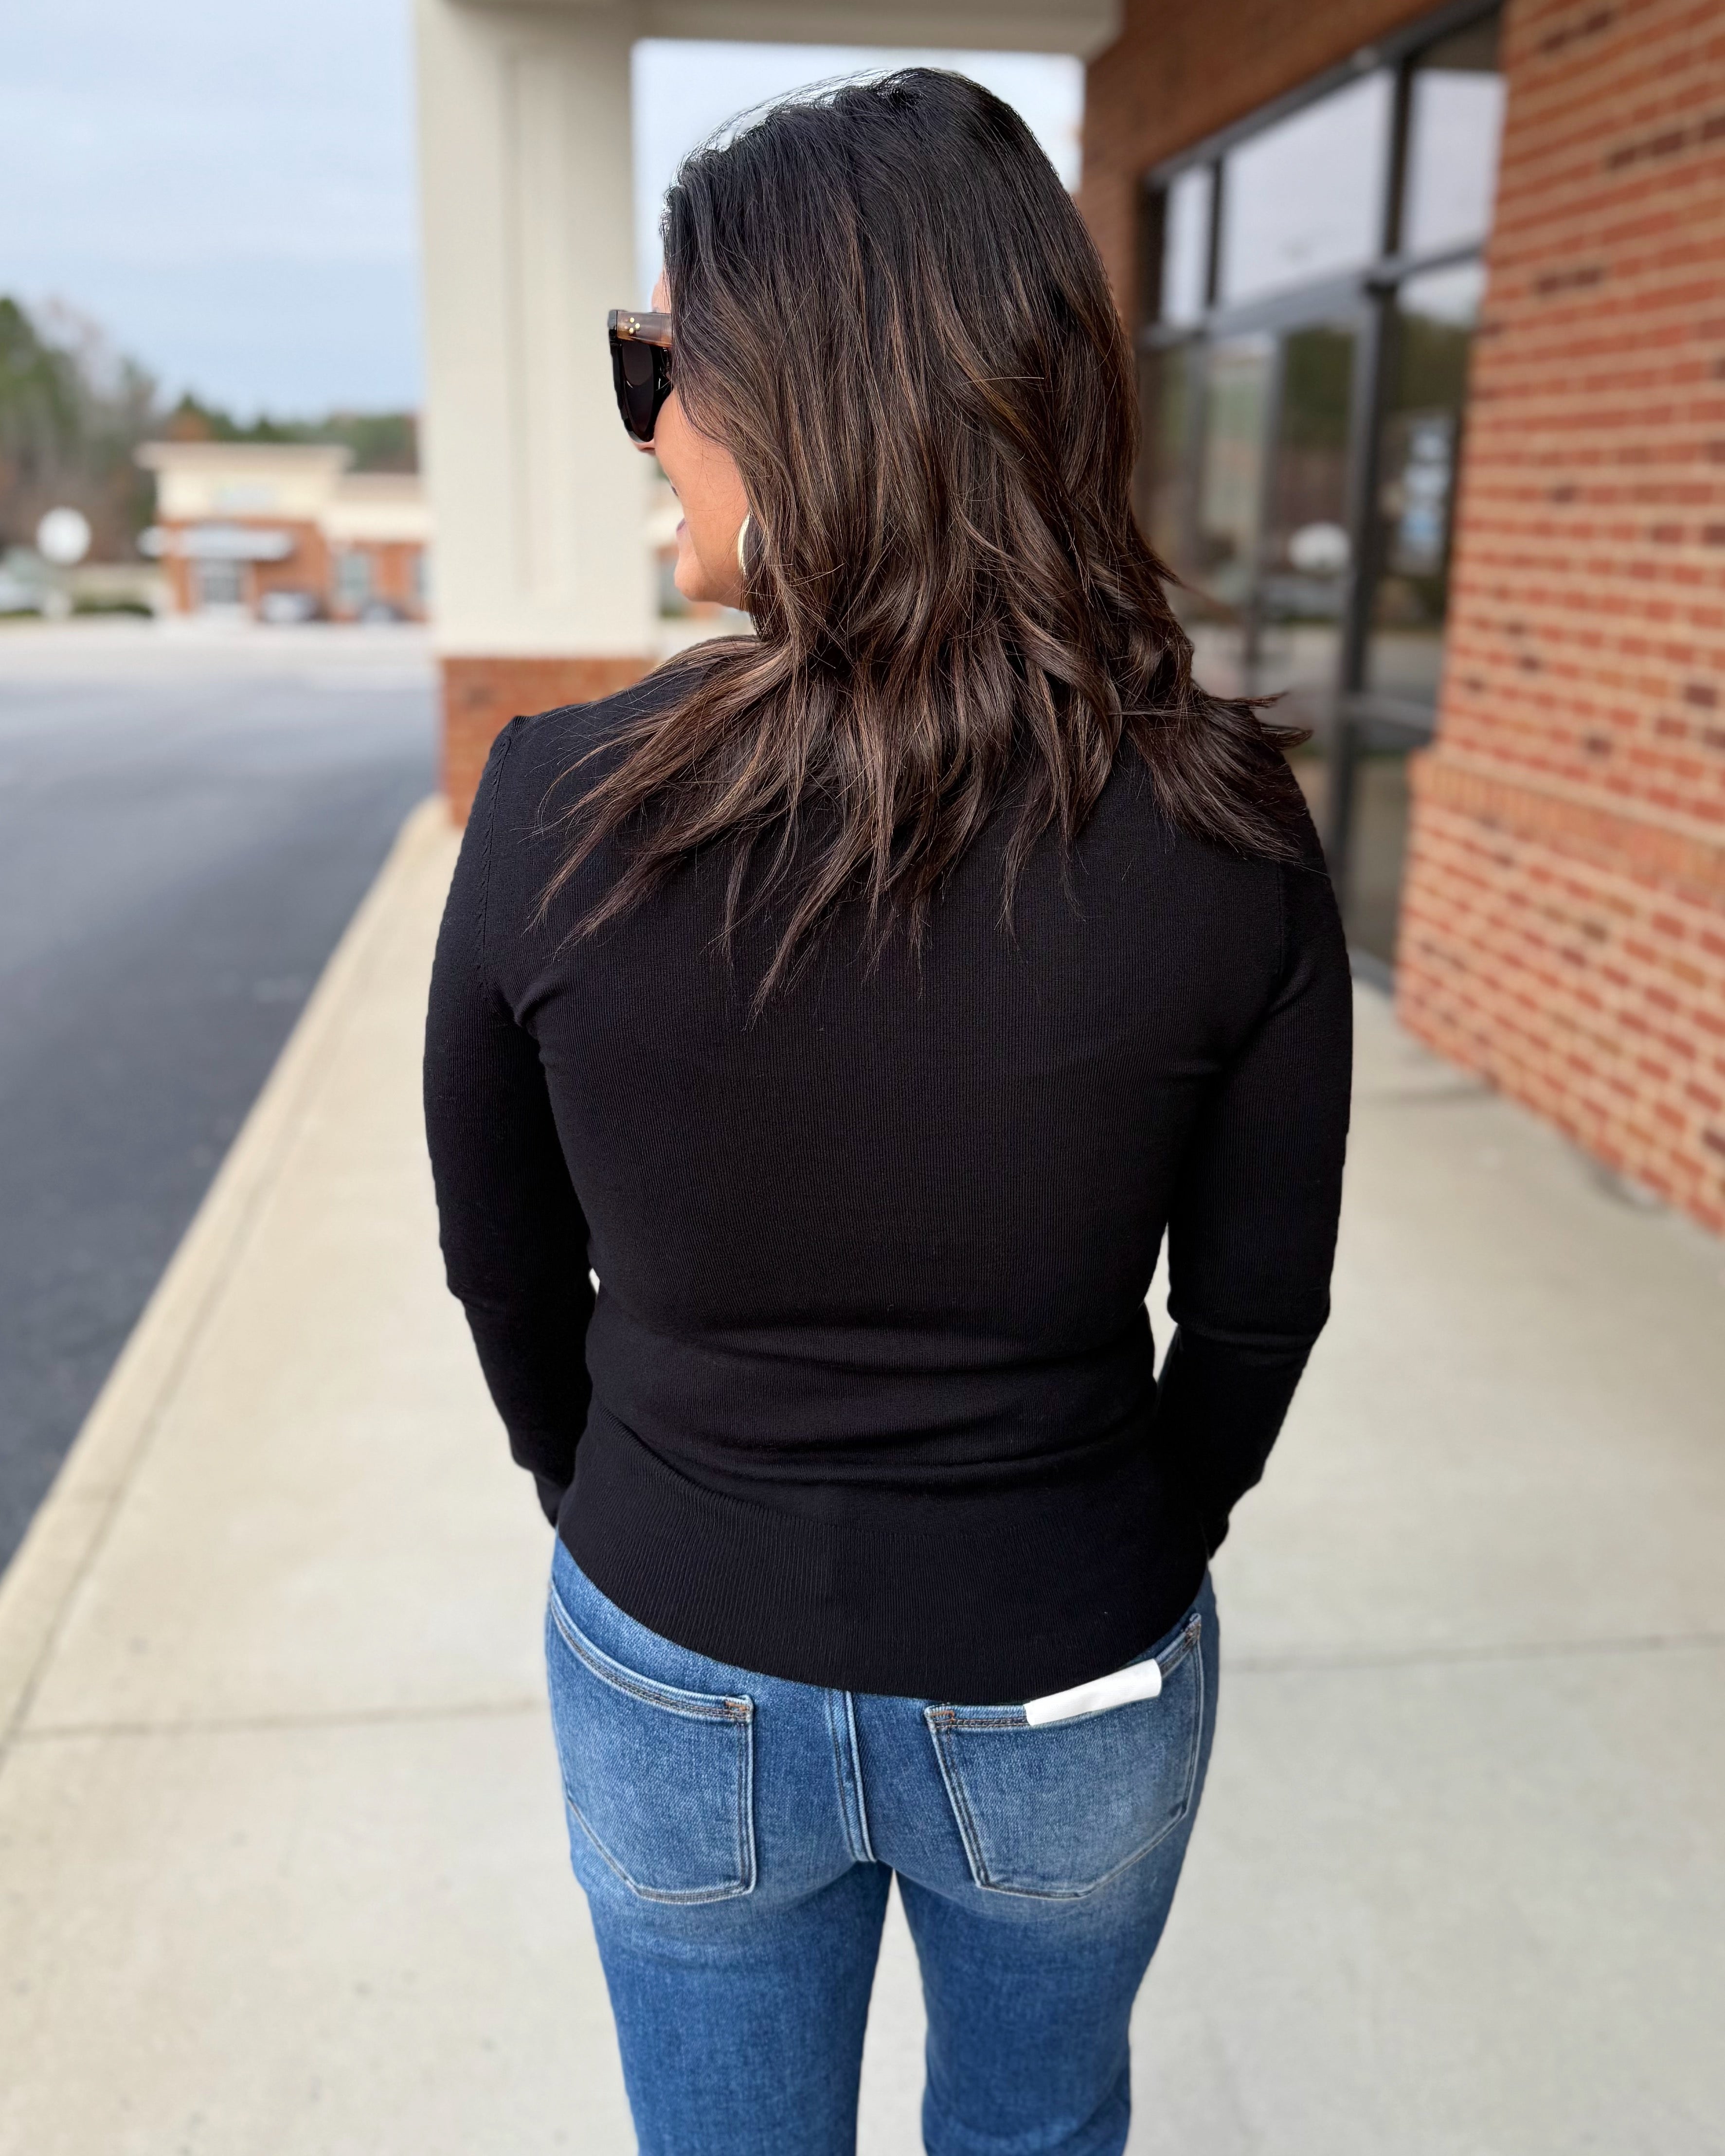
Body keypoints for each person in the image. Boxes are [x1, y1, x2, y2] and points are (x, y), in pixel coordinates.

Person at [424, 68, 1351, 2156]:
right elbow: (1254, 1318)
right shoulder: (1225, 825)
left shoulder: (554, 806)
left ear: (805, 400)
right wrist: (1119, 1542)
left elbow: (504, 1274)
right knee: (1038, 2132)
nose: (647, 424)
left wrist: (621, 1502)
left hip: (676, 1636)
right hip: (1068, 1642)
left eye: (657, 363)